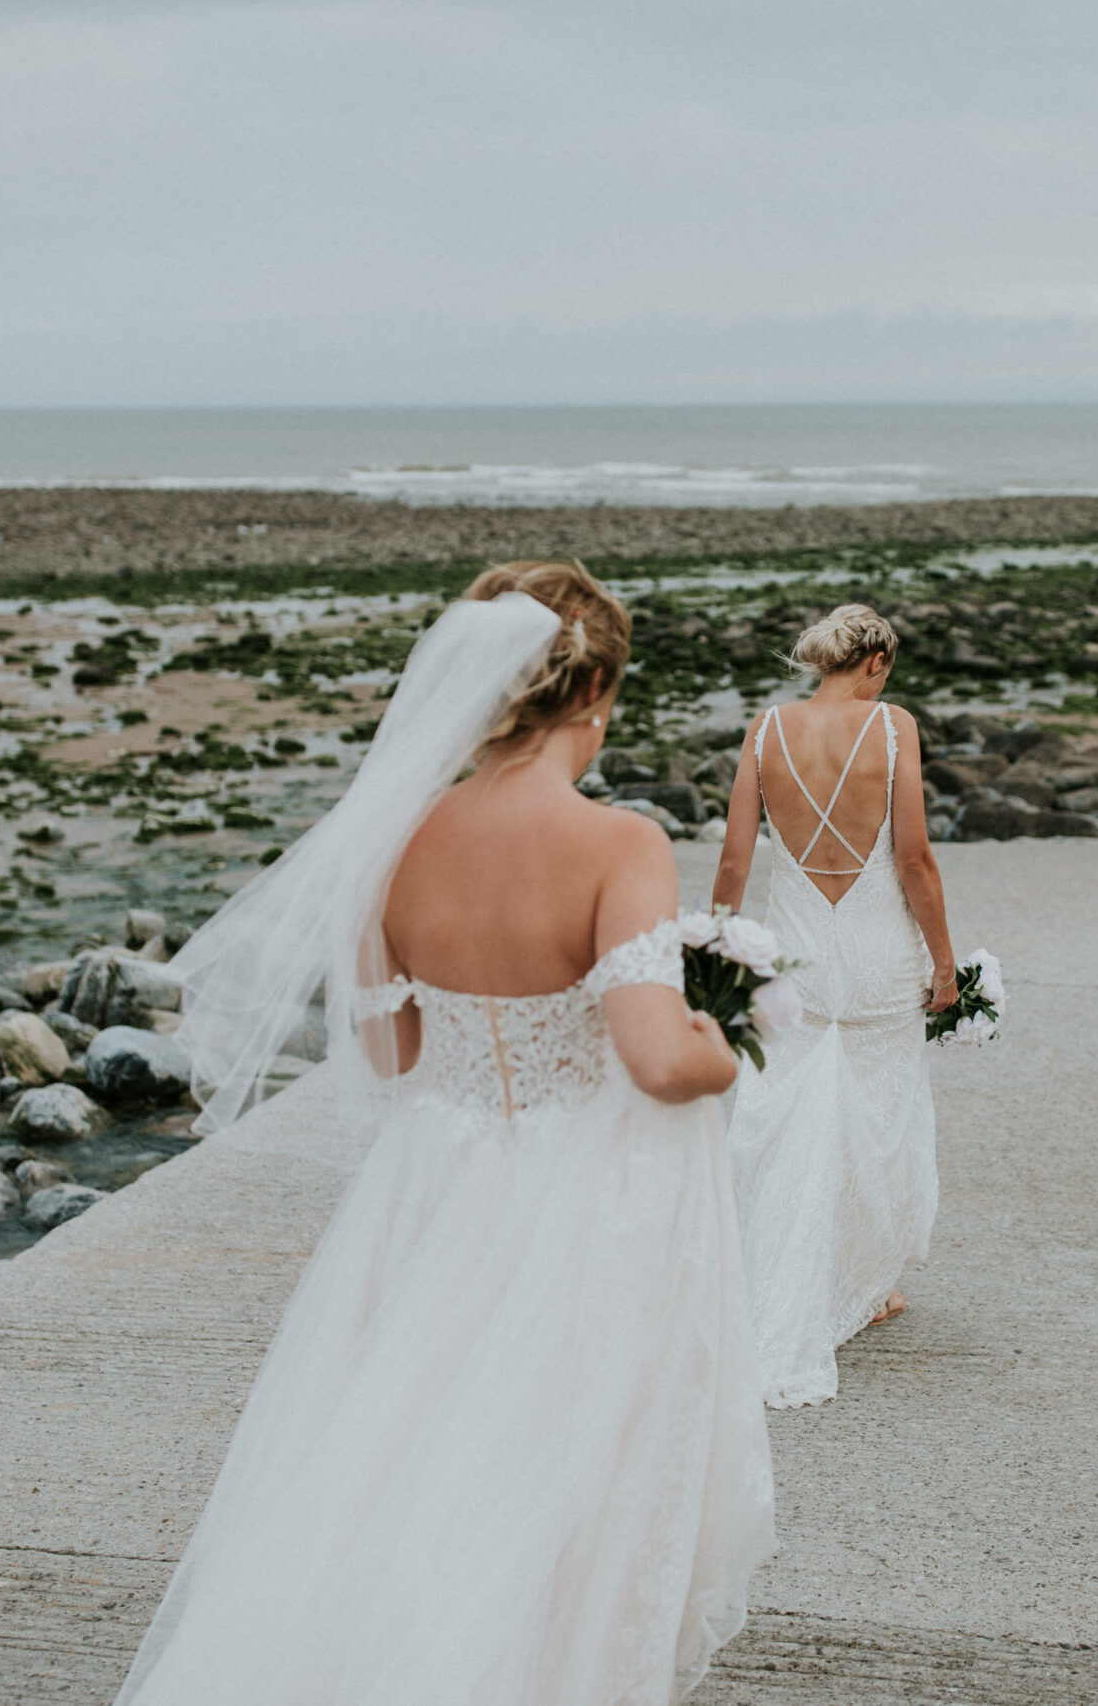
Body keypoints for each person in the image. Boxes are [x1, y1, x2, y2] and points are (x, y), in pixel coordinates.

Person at [117, 562, 774, 1706]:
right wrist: (736, 1041)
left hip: (437, 1186)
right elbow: (660, 1060)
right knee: (570, 1468)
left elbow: (395, 1057)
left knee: (416, 1462)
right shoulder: (616, 842)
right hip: (589, 1193)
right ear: (597, 686)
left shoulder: (394, 836)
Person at [711, 604, 957, 1410]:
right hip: (879, 946)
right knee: (878, 1107)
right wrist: (946, 960)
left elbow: (737, 856)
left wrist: (717, 950)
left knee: (782, 1103)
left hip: (797, 945)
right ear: (876, 659)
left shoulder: (766, 729)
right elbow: (915, 857)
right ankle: (866, 1284)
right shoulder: (893, 728)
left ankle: (770, 1270)